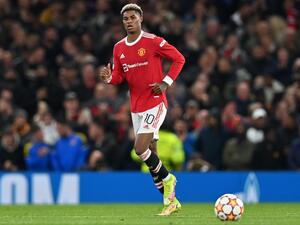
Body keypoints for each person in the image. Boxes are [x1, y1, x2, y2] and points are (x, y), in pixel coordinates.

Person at [99, 3, 185, 216]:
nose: (128, 21)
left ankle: (169, 179)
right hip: (135, 107)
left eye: (132, 17)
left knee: (139, 149)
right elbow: (120, 76)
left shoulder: (153, 41)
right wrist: (110, 78)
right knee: (151, 155)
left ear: (141, 19)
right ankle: (171, 202)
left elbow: (179, 59)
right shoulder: (119, 48)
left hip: (155, 102)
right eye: (125, 18)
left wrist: (165, 83)